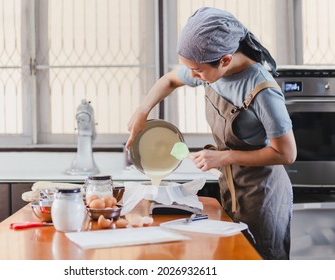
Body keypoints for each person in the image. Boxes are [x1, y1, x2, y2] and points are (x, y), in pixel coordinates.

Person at [125, 7, 297, 260]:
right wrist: (142, 111)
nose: (192, 77)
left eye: (197, 71)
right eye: (190, 69)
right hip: (232, 187)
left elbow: (286, 153)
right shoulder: (209, 68)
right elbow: (170, 80)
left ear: (225, 60)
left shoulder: (262, 90)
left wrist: (225, 157)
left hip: (263, 196)